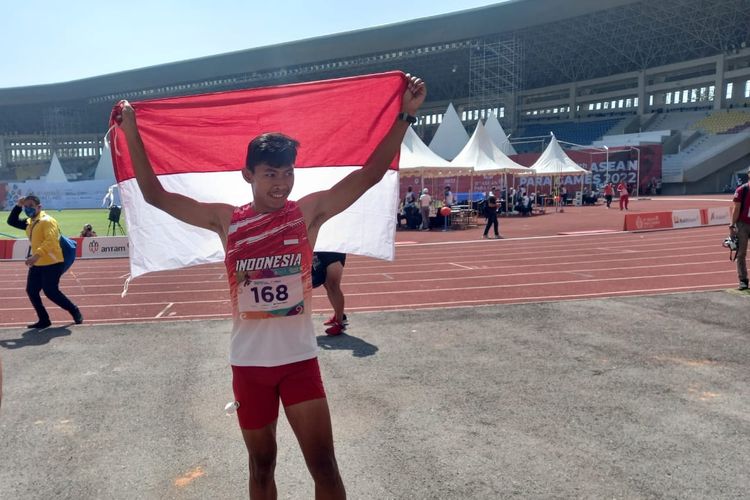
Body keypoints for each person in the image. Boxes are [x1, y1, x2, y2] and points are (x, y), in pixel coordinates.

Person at [115, 73, 425, 499]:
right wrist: (132, 131)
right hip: (249, 367)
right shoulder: (226, 220)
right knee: (261, 468)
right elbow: (155, 196)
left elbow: (370, 175)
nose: (281, 183)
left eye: (288, 173)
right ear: (248, 174)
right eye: (270, 174)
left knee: (325, 467)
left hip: (299, 361)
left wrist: (406, 115)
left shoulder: (307, 214)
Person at [6, 196, 83, 329]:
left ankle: (74, 310)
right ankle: (44, 320)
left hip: (52, 262)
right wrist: (18, 205)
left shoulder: (47, 221)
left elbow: (51, 241)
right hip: (37, 263)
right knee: (31, 291)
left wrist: (36, 256)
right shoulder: (30, 222)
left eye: (31, 205)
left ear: (39, 207)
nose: (28, 208)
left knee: (50, 291)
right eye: (26, 206)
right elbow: (11, 221)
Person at [312, 252, 348, 336]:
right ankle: (339, 315)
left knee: (333, 285)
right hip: (319, 252)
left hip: (333, 251)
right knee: (327, 284)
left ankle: (339, 323)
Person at [730, 169, 750, 290]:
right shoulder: (742, 190)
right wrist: (732, 225)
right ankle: (743, 280)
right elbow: (736, 209)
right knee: (741, 253)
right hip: (742, 224)